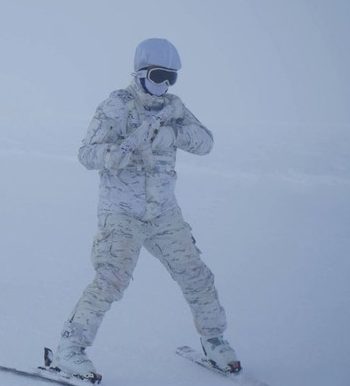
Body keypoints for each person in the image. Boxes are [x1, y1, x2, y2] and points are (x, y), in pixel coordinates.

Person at [51, 38, 239, 380]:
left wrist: (172, 134)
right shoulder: (118, 105)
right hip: (122, 212)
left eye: (171, 77)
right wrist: (114, 155)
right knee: (111, 279)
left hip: (164, 214)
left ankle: (214, 340)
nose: (164, 84)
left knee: (196, 275)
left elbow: (206, 142)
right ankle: (69, 348)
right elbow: (86, 153)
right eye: (158, 75)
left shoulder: (174, 108)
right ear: (139, 73)